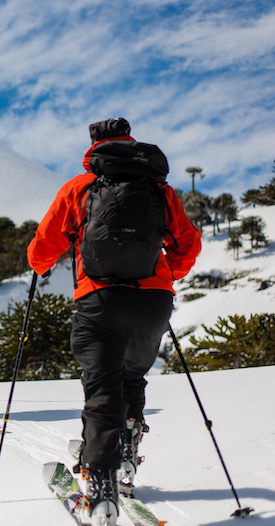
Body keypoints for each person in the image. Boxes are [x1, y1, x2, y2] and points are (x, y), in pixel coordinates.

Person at [27, 118, 201, 520]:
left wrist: (40, 266)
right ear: (132, 143)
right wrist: (164, 273)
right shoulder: (159, 190)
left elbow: (42, 249)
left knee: (103, 387)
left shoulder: (80, 188)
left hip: (100, 298)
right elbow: (188, 243)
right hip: (153, 302)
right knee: (132, 377)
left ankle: (101, 485)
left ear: (94, 148)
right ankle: (127, 450)